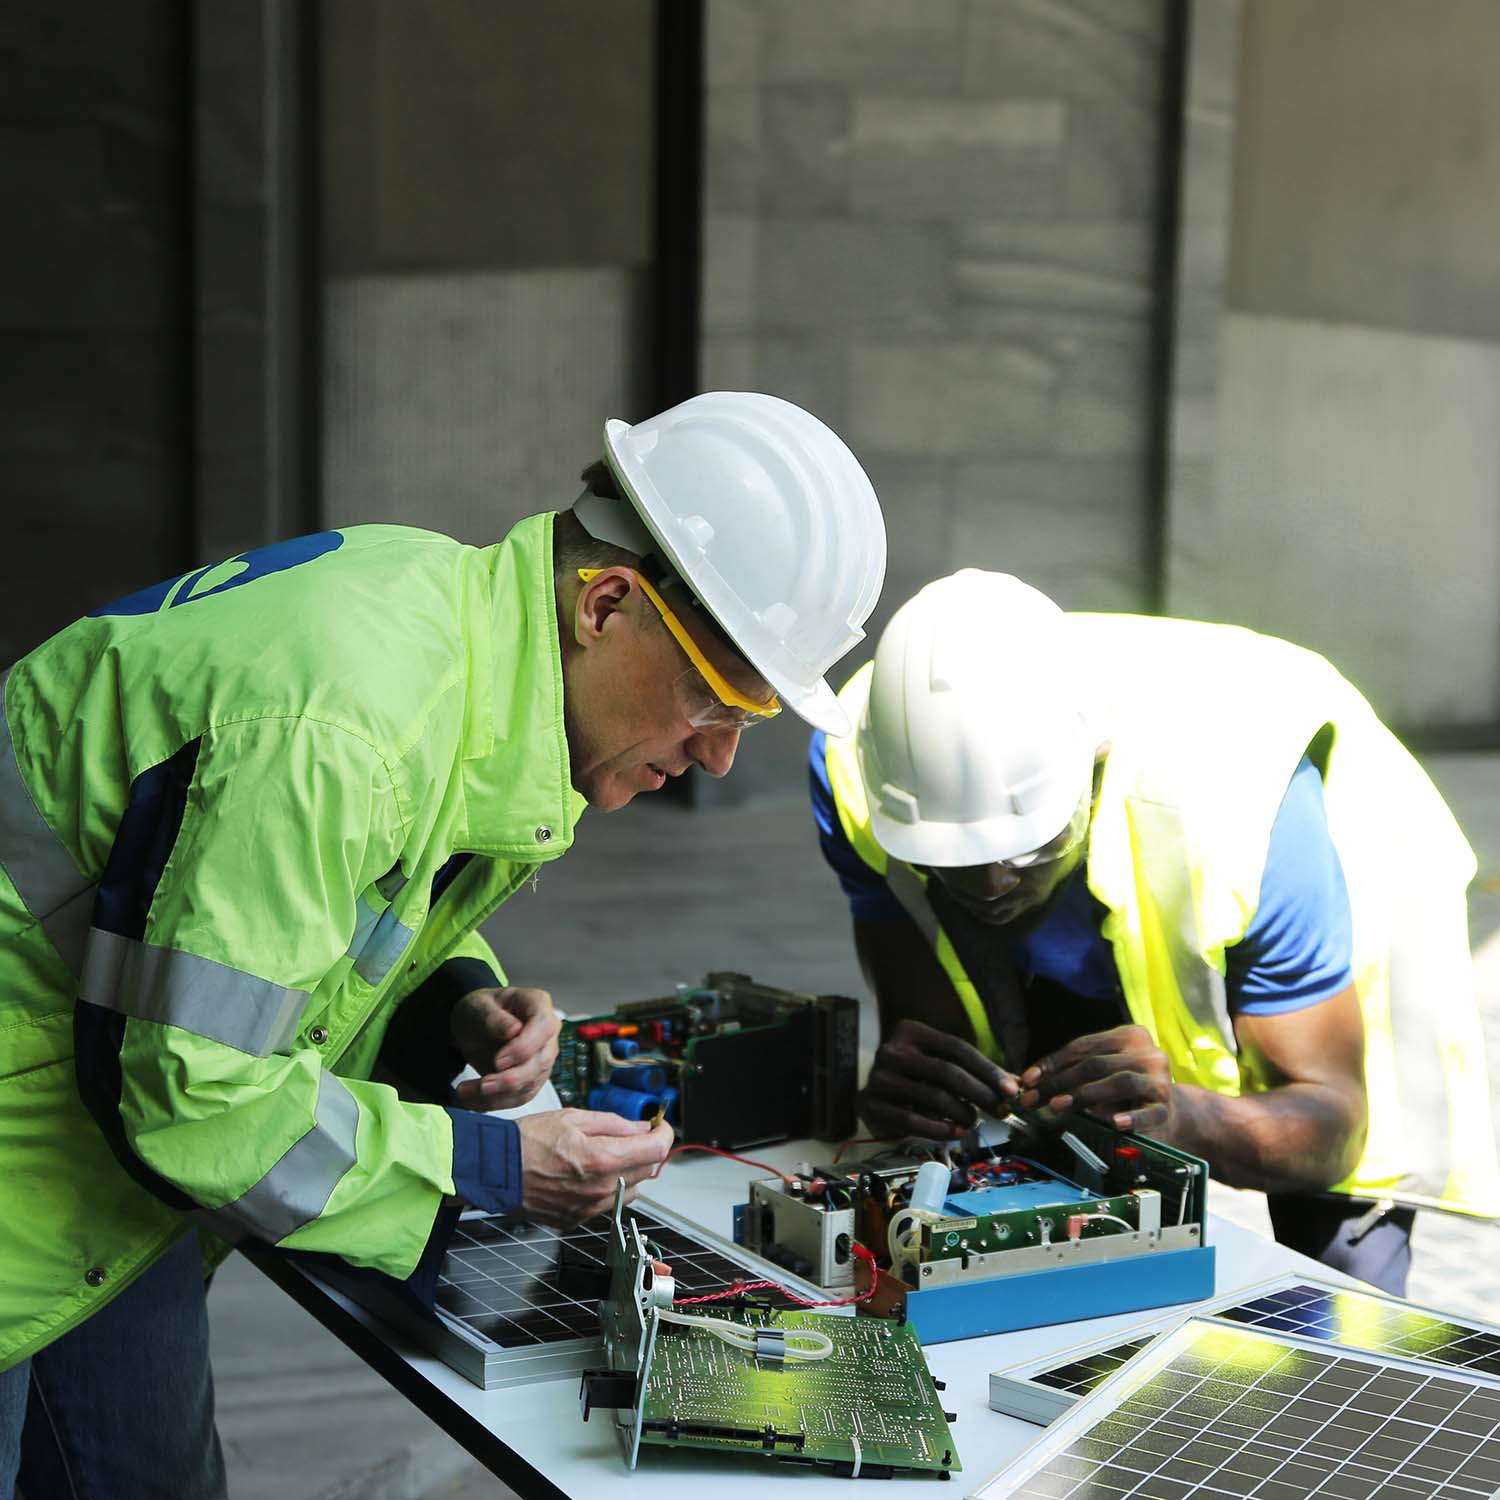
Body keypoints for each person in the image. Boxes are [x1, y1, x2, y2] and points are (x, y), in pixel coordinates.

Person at [0, 391, 886, 1498]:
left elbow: (293, 917)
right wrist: (494, 1164)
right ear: (607, 603)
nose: (714, 760)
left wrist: (451, 1000)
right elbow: (196, 1097)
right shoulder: (343, 725)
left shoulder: (440, 625)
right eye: (716, 704)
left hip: (88, 1159)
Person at [810, 569, 1499, 1299]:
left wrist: (1192, 1119)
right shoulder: (861, 766)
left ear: (1094, 768)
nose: (989, 890)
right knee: (1051, 1162)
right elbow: (935, 1038)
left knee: (1341, 1275)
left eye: (1026, 850)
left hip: (1326, 892)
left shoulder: (1247, 809)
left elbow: (1332, 1124)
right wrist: (921, 1092)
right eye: (951, 861)